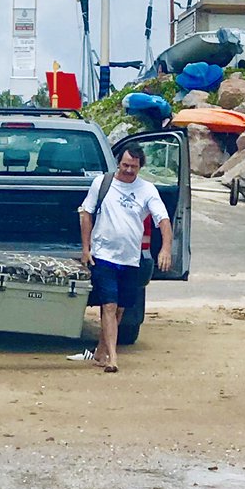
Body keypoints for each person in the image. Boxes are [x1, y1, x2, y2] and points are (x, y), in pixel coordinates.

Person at [79, 142, 172, 373]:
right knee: (108, 306)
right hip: (103, 255)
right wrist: (86, 248)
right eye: (125, 165)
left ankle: (101, 350)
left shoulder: (148, 189)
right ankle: (113, 357)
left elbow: (163, 220)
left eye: (134, 167)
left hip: (131, 258)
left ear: (140, 166)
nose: (128, 170)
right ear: (119, 162)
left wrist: (166, 248)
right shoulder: (102, 183)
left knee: (120, 309)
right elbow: (86, 213)